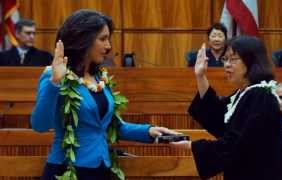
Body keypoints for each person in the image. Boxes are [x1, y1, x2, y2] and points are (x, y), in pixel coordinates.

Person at [31, 9, 177, 180]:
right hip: (67, 169)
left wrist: (149, 131)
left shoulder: (100, 78)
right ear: (83, 39)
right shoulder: (53, 75)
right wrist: (55, 82)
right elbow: (39, 125)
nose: (108, 46)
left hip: (101, 169)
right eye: (103, 39)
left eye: (108, 39)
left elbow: (111, 126)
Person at [171, 36, 282, 180]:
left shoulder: (260, 96)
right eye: (225, 59)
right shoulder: (245, 93)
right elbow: (218, 120)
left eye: (232, 59)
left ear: (251, 61)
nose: (226, 65)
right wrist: (200, 76)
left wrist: (193, 146)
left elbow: (236, 143)